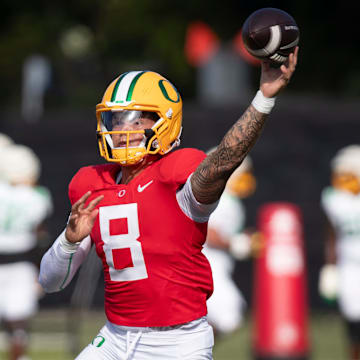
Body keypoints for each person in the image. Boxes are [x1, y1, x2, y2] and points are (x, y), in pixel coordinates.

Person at [39, 47, 298, 360]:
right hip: (116, 337)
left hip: (178, 344)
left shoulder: (178, 180)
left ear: (165, 124)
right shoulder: (91, 184)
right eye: (114, 119)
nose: (121, 131)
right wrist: (69, 240)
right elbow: (50, 282)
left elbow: (226, 157)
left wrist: (264, 98)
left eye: (134, 121)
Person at [0, 144, 53, 360]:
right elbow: (40, 236)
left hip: (12, 260)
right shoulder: (37, 196)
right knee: (19, 321)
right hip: (22, 263)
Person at [203, 154, 256, 337]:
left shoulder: (230, 201)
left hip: (215, 266)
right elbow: (208, 233)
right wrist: (235, 243)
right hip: (209, 265)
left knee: (225, 317)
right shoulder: (222, 199)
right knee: (229, 316)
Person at [319, 145, 360, 360]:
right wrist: (330, 266)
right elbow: (332, 235)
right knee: (353, 316)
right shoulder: (334, 199)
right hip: (350, 264)